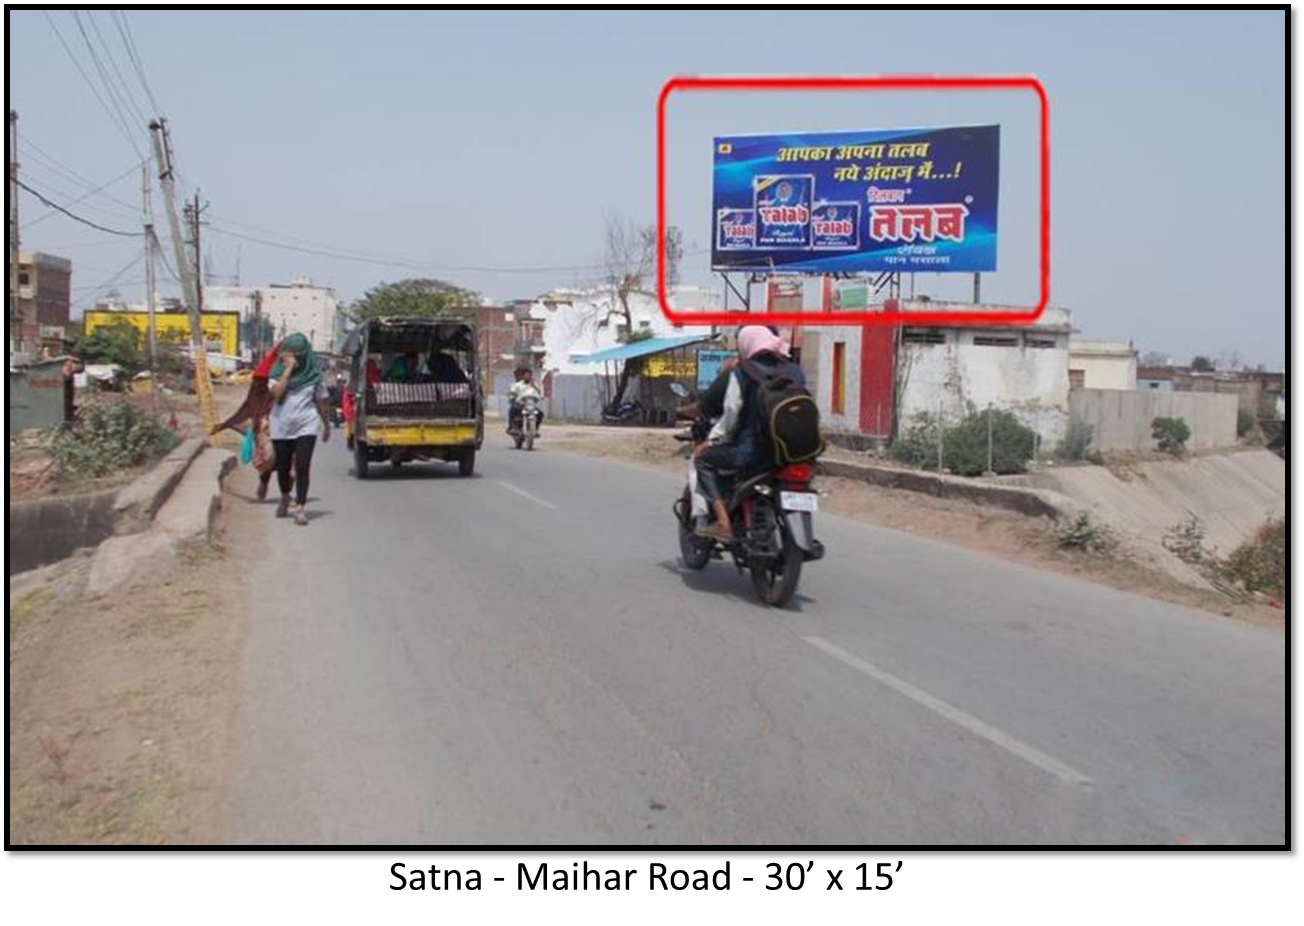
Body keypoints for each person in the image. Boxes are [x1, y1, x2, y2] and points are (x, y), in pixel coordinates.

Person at [692, 326, 805, 543]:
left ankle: (723, 522)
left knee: (702, 460)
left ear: (747, 345)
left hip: (751, 453)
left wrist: (711, 441)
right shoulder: (794, 371)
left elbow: (731, 414)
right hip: (790, 453)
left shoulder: (742, 372)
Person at [213, 340, 291, 502]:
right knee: (268, 458)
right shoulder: (267, 375)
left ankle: (286, 495)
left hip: (289, 423)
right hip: (266, 425)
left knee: (292, 465)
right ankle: (265, 482)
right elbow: (260, 384)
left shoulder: (299, 372)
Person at [268, 333, 331, 526]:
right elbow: (277, 394)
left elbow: (321, 401)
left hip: (306, 425)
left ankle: (300, 507)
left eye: (300, 352)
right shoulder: (275, 373)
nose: (296, 356)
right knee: (283, 466)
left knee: (303, 466)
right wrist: (288, 370)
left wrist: (327, 425)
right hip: (281, 425)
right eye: (292, 352)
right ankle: (285, 496)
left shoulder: (314, 375)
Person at [508, 367, 543, 434]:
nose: (528, 376)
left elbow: (539, 392)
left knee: (540, 414)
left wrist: (534, 386)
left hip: (530, 404)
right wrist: (512, 397)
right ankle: (512, 427)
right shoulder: (518, 384)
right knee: (512, 410)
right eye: (527, 375)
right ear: (523, 375)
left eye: (530, 375)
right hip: (520, 404)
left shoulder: (534, 384)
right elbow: (513, 392)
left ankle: (535, 429)